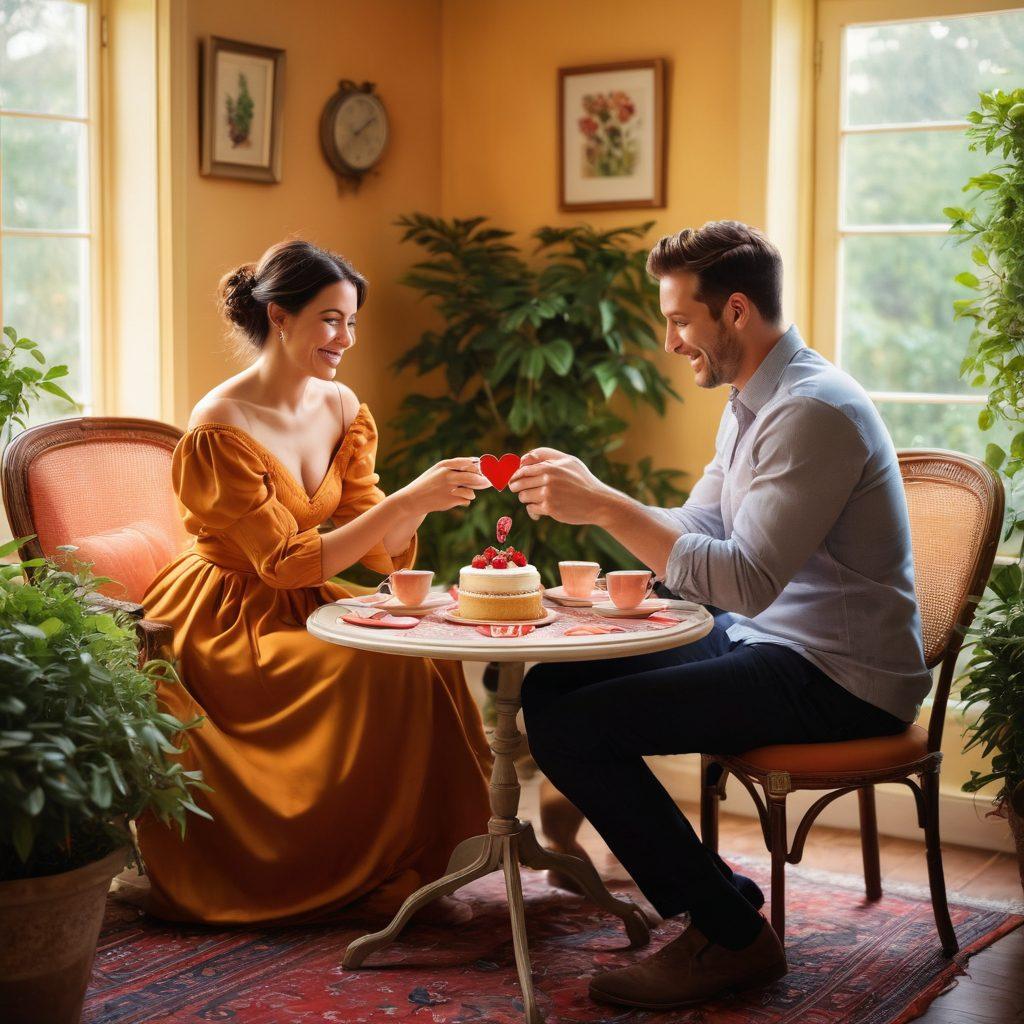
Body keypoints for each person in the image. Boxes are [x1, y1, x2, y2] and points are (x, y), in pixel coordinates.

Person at [509, 221, 930, 1009]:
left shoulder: (813, 411)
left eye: (678, 320)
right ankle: (718, 892)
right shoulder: (753, 400)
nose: (669, 339)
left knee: (577, 726)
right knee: (551, 692)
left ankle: (732, 938)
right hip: (776, 644)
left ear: (735, 311)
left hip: (842, 676)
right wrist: (606, 509)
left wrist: (603, 505)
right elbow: (702, 529)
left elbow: (743, 581)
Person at [136, 239, 494, 925]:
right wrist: (403, 502)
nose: (345, 338)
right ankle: (348, 871)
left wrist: (411, 509)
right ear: (279, 316)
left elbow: (371, 542)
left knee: (427, 648)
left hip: (306, 597)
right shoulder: (220, 425)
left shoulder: (340, 407)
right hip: (224, 619)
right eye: (330, 319)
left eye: (351, 321)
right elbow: (284, 564)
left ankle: (416, 860)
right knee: (377, 668)